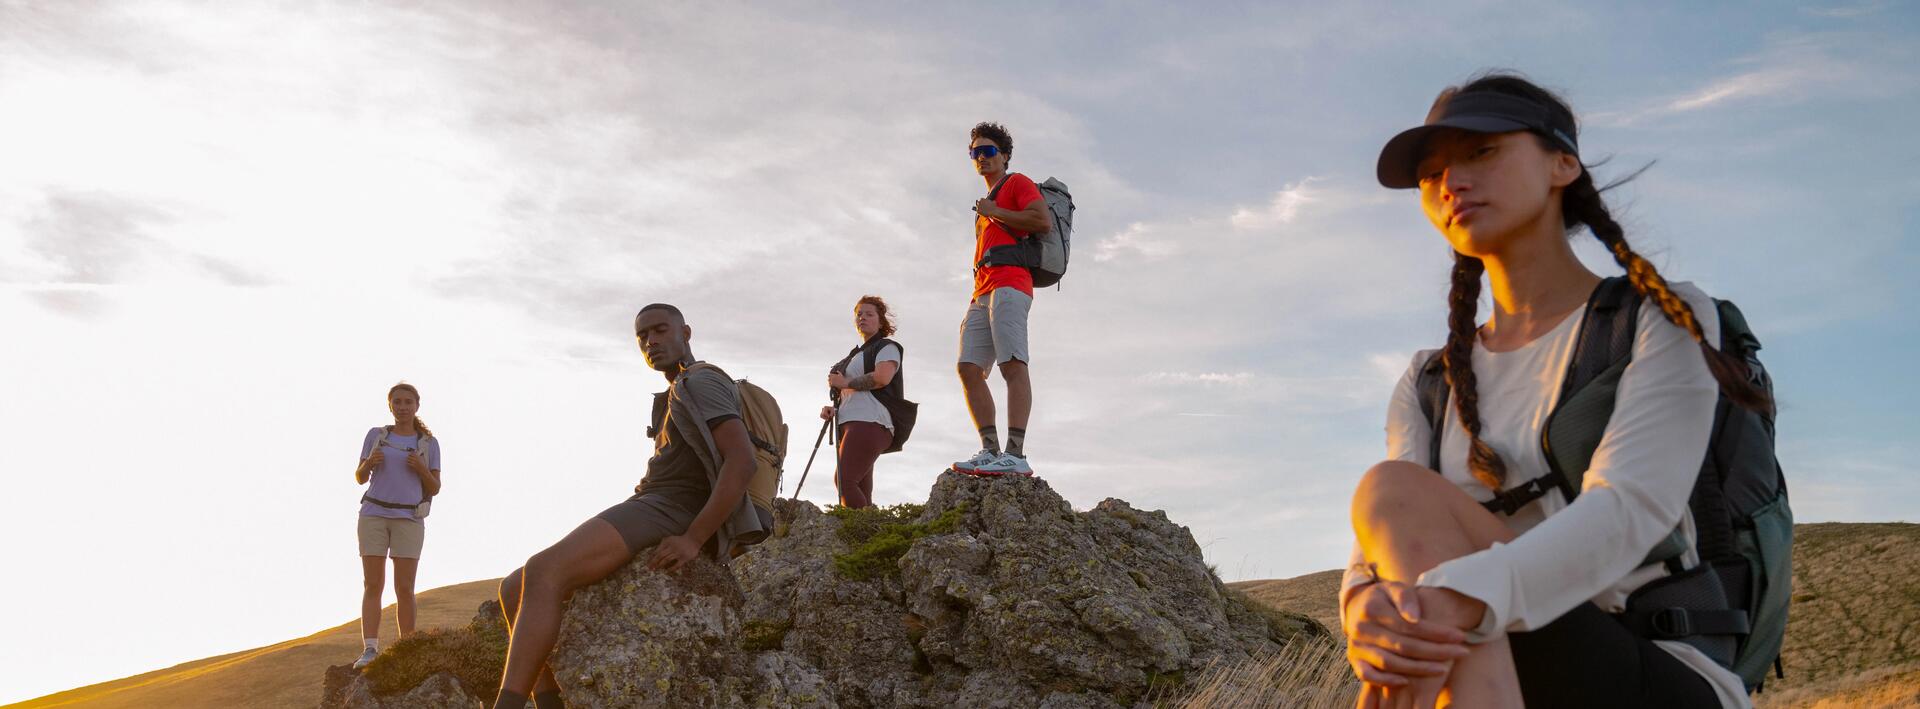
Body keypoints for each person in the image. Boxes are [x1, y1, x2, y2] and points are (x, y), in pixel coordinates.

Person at [1341, 73, 1771, 708]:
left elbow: (1631, 508)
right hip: (1494, 669)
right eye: (1432, 175)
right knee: (1395, 499)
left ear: (1563, 163)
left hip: (1651, 668)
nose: (1451, 182)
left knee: (1406, 520)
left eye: (1481, 152)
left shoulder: (1659, 316)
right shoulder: (1428, 381)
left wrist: (1456, 601)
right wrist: (1362, 604)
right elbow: (1381, 541)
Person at [490, 303, 764, 709]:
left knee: (545, 570)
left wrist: (693, 538)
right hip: (652, 502)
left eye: (660, 330)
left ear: (685, 333)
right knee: (515, 587)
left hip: (672, 509)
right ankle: (548, 704)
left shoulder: (702, 381)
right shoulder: (675, 391)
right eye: (642, 336)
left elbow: (742, 461)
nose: (650, 341)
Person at [953, 121, 1052, 477]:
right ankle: (989, 449)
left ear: (1004, 156)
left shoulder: (1017, 183)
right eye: (975, 152)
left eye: (988, 150)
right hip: (982, 290)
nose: (981, 157)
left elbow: (1042, 221)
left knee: (1012, 364)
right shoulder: (985, 205)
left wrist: (995, 212)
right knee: (968, 367)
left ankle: (1016, 453)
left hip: (1011, 283)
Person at [350, 382, 442, 670]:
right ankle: (370, 649)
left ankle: (407, 648)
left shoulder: (428, 444)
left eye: (408, 402)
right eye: (397, 402)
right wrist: (369, 464)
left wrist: (420, 468)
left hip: (409, 518)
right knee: (373, 584)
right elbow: (359, 477)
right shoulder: (376, 436)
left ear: (417, 406)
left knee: (405, 587)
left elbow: (435, 487)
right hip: (374, 514)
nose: (403, 407)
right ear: (390, 406)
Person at [820, 295, 904, 508]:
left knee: (845, 481)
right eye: (859, 314)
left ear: (880, 320)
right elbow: (851, 390)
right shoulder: (856, 354)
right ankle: (869, 537)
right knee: (860, 487)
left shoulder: (886, 347)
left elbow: (882, 378)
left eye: (869, 314)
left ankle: (857, 532)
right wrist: (834, 407)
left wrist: (845, 381)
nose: (863, 318)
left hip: (870, 420)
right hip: (852, 421)